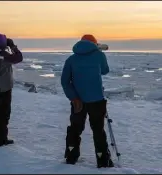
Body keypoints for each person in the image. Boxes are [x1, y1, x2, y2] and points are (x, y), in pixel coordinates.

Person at [61, 34, 114, 168]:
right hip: (97, 99)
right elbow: (105, 71)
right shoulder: (99, 55)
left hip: (78, 101)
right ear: (94, 44)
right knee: (98, 130)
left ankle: (71, 157)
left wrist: (73, 97)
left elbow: (64, 81)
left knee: (75, 128)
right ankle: (103, 160)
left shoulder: (71, 59)